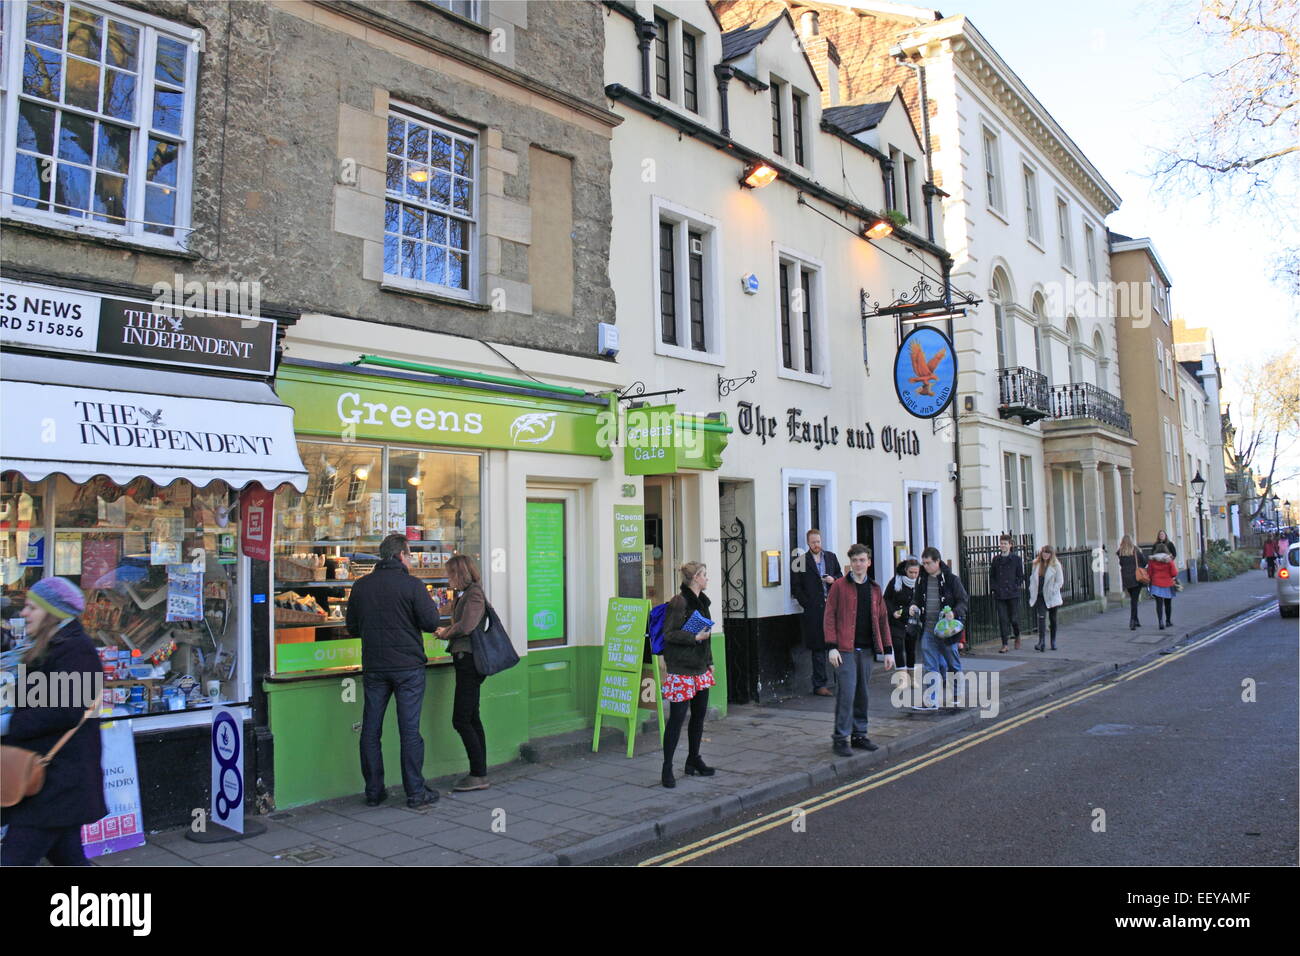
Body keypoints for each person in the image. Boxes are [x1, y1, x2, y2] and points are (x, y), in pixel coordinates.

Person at [1, 578, 107, 866]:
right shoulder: (48, 645)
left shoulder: (76, 650)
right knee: (68, 856)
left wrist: (8, 724)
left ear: (52, 613)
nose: (24, 613)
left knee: (14, 859)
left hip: (56, 779)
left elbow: (65, 710)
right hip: (47, 777)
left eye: (31, 607)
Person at [346, 533, 443, 808]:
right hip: (408, 668)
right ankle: (415, 792)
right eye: (410, 555)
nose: (410, 559)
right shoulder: (412, 585)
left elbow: (352, 626)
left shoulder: (361, 586)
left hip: (375, 667)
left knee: (371, 730)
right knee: (409, 730)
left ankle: (374, 792)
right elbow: (431, 621)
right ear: (401, 555)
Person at [823, 545, 894, 756]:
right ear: (850, 563)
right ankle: (840, 738)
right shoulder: (839, 586)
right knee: (847, 692)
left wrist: (888, 650)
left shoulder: (875, 589)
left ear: (869, 562)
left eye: (862, 560)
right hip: (844, 649)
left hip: (867, 650)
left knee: (862, 694)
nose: (858, 564)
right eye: (855, 560)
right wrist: (831, 647)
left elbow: (882, 620)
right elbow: (829, 616)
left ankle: (859, 735)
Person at [435, 554, 489, 792]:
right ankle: (479, 772)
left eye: (451, 574)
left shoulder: (474, 594)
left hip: (469, 661)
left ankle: (477, 774)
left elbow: (467, 626)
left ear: (461, 573)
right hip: (464, 660)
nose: (448, 578)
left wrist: (445, 632)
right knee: (472, 717)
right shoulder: (466, 594)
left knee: (461, 719)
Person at [660, 562, 716, 788]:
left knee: (699, 717)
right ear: (694, 578)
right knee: (676, 719)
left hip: (700, 667)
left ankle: (693, 759)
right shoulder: (679, 601)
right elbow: (669, 634)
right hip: (681, 668)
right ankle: (667, 767)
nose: (707, 578)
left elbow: (707, 634)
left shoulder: (702, 602)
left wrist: (710, 661)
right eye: (704, 574)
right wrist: (693, 639)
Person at [910, 547, 969, 709]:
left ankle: (957, 694)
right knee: (930, 666)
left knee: (953, 664)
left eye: (928, 563)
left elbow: (963, 600)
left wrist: (955, 612)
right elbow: (916, 599)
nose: (925, 566)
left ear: (937, 562)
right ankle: (931, 700)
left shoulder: (951, 579)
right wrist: (914, 606)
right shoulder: (922, 579)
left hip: (947, 631)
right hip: (928, 629)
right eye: (924, 563)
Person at [791, 529, 842, 696]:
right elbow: (796, 586)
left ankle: (841, 681)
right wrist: (808, 604)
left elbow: (841, 578)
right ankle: (820, 685)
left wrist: (832, 580)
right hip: (814, 610)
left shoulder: (831, 557)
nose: (816, 545)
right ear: (808, 543)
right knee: (818, 648)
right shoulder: (800, 560)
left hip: (832, 607)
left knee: (837, 645)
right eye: (813, 542)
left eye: (818, 541)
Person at [883, 558, 921, 682]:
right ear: (906, 570)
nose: (914, 575)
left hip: (912, 621)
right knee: (898, 647)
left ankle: (912, 676)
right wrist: (893, 611)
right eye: (911, 572)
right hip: (897, 620)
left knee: (911, 649)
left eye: (916, 572)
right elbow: (886, 598)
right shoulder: (896, 581)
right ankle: (902, 679)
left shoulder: (920, 583)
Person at [990, 534, 1025, 652]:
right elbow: (992, 576)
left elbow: (1020, 576)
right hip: (1000, 594)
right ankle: (1004, 644)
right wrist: (994, 588)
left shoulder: (1016, 559)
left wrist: (1015, 586)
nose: (1003, 546)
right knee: (1002, 619)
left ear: (1010, 545)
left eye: (1005, 543)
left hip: (1012, 594)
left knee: (1013, 618)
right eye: (1001, 543)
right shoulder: (996, 560)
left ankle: (1017, 635)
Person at [1027, 545, 1064, 651]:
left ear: (1051, 554)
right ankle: (1041, 641)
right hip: (1040, 595)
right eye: (1044, 552)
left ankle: (1053, 641)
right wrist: (1031, 588)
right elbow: (1032, 578)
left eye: (1048, 553)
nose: (1045, 555)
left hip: (1052, 595)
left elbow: (1060, 581)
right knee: (1041, 618)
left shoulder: (1056, 565)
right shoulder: (1036, 563)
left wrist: (1053, 590)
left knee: (1053, 619)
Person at [1117, 535, 1148, 630]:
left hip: (1126, 578)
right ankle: (1132, 621)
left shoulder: (1120, 552)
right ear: (1131, 541)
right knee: (1134, 601)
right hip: (1136, 578)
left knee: (1133, 598)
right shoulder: (1136, 551)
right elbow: (1144, 562)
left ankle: (1136, 619)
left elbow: (1121, 564)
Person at [1147, 543, 1179, 629]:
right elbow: (1174, 573)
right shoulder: (1169, 560)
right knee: (1168, 604)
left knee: (1159, 604)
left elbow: (1149, 573)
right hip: (1168, 584)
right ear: (1166, 550)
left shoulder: (1152, 560)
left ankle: (1160, 621)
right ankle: (1168, 621)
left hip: (1156, 583)